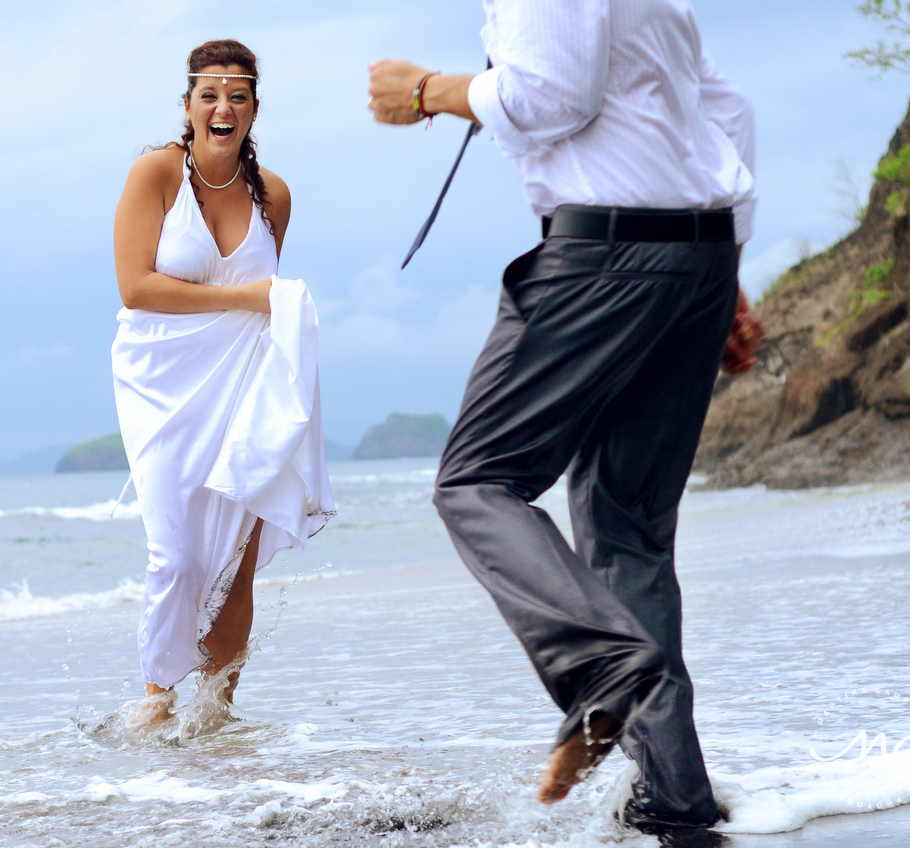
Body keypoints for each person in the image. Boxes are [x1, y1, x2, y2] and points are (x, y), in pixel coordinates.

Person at [367, 0, 763, 835]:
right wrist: (726, 270)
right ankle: (677, 797)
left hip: (603, 258)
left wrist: (428, 91)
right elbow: (723, 107)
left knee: (477, 480)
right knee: (628, 529)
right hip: (695, 254)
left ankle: (599, 665)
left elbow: (553, 96)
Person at [111, 39, 335, 726]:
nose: (223, 106)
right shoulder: (155, 175)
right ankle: (156, 703)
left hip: (245, 380)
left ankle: (214, 716)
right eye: (209, 94)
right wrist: (246, 299)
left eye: (237, 95)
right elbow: (136, 286)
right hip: (161, 381)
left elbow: (264, 306)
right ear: (187, 106)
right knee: (175, 551)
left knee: (236, 553)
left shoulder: (275, 195)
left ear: (254, 109)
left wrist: (267, 310)